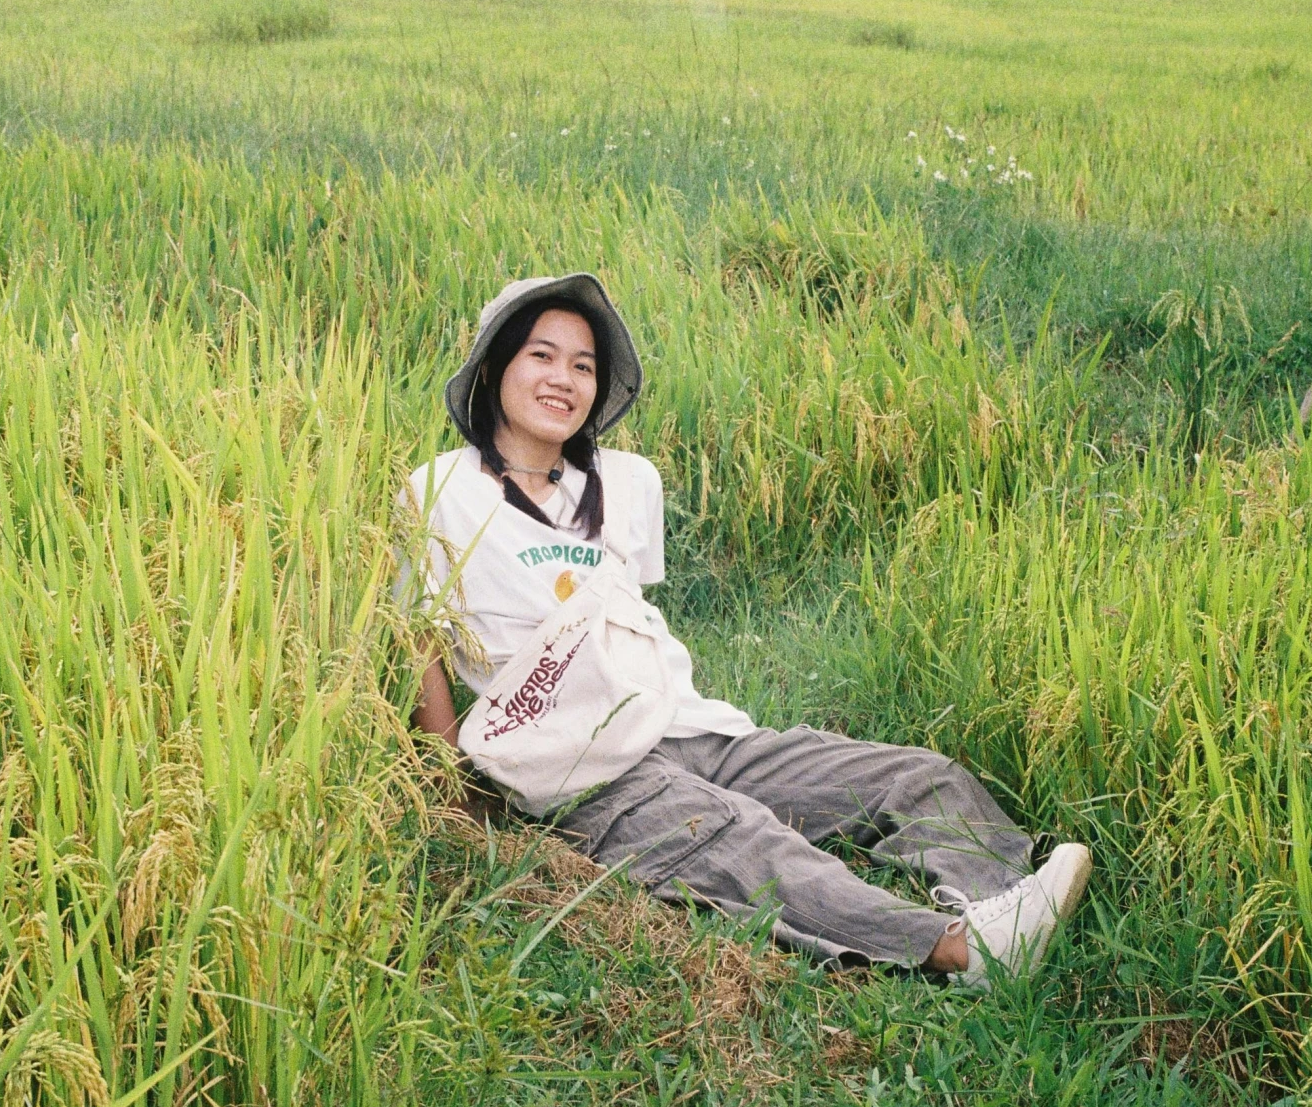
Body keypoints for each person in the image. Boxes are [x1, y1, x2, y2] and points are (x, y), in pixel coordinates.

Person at [405, 274, 1091, 987]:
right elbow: (422, 638)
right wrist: (454, 783)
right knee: (739, 836)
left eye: (583, 365)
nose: (564, 379)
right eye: (541, 356)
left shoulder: (629, 481)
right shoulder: (437, 492)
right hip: (580, 763)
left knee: (918, 777)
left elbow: (629, 629)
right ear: (493, 369)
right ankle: (962, 951)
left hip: (692, 728)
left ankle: (999, 902)